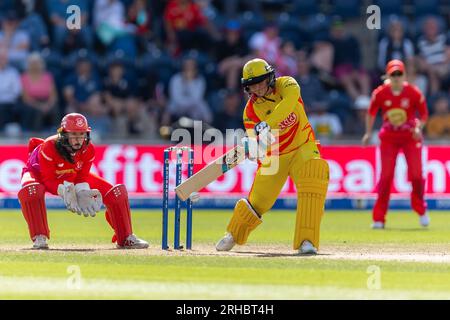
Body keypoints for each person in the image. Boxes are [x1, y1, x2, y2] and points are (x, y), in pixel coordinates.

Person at [215, 58, 329, 255]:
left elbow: (289, 103)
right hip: (274, 155)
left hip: (303, 145)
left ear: (269, 77)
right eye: (252, 84)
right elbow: (254, 139)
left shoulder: (287, 84)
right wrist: (254, 146)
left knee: (313, 177)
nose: (257, 88)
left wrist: (268, 123)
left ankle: (307, 241)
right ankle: (233, 234)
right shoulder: (250, 111)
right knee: (259, 201)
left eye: (260, 81)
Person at [18, 113, 149, 249]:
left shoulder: (89, 149)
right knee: (32, 190)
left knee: (116, 193)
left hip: (71, 176)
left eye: (82, 134)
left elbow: (81, 177)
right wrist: (64, 191)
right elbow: (48, 180)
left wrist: (82, 191)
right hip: (38, 174)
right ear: (63, 134)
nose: (78, 139)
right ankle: (40, 237)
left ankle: (126, 237)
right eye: (74, 134)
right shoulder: (49, 146)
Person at [362, 59, 429, 229]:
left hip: (409, 136)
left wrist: (418, 128)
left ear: (404, 75)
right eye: (394, 74)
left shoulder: (413, 92)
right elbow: (371, 113)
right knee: (385, 177)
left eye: (400, 74)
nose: (397, 77)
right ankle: (379, 218)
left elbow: (423, 114)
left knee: (416, 175)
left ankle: (420, 209)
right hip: (389, 137)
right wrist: (368, 132)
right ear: (388, 76)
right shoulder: (380, 93)